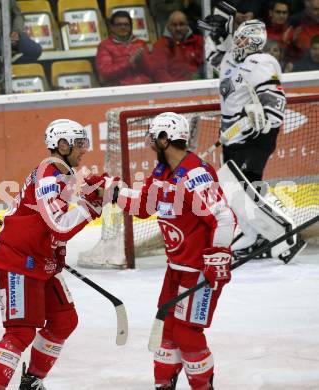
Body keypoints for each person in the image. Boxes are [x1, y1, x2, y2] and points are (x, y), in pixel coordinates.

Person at [0, 119, 114, 389]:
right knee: (19, 333)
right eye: (79, 144)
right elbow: (59, 226)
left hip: (40, 262)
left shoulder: (61, 174)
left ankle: (31, 382)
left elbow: (53, 230)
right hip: (19, 262)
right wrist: (91, 207)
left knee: (64, 319)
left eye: (84, 143)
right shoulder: (49, 175)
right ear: (61, 145)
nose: (84, 149)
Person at [116, 112, 236, 390]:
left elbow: (224, 218)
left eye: (152, 137)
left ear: (164, 139)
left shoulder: (195, 175)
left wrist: (218, 255)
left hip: (198, 270)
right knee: (167, 331)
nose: (148, 142)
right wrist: (111, 194)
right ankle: (164, 384)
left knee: (186, 333)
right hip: (176, 268)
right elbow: (144, 206)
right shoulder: (163, 172)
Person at [203, 10, 306, 261]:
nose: (238, 43)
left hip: (256, 137)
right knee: (235, 189)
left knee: (247, 188)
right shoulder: (228, 59)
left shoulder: (262, 62)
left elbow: (274, 103)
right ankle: (254, 236)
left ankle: (287, 235)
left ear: (256, 44)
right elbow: (211, 54)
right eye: (237, 38)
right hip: (231, 136)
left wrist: (258, 122)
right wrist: (215, 34)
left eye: (244, 41)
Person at [95, 10, 153, 86]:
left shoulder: (141, 43)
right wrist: (129, 62)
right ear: (112, 27)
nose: (123, 27)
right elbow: (105, 73)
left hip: (143, 86)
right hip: (119, 89)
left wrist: (144, 60)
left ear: (131, 26)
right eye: (119, 25)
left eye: (126, 24)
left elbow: (152, 71)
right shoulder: (104, 46)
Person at [152, 10, 204, 82]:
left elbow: (208, 65)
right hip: (174, 89)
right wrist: (176, 88)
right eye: (174, 25)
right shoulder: (160, 45)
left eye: (182, 24)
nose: (178, 28)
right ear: (168, 26)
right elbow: (159, 72)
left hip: (200, 86)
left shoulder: (199, 41)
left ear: (187, 25)